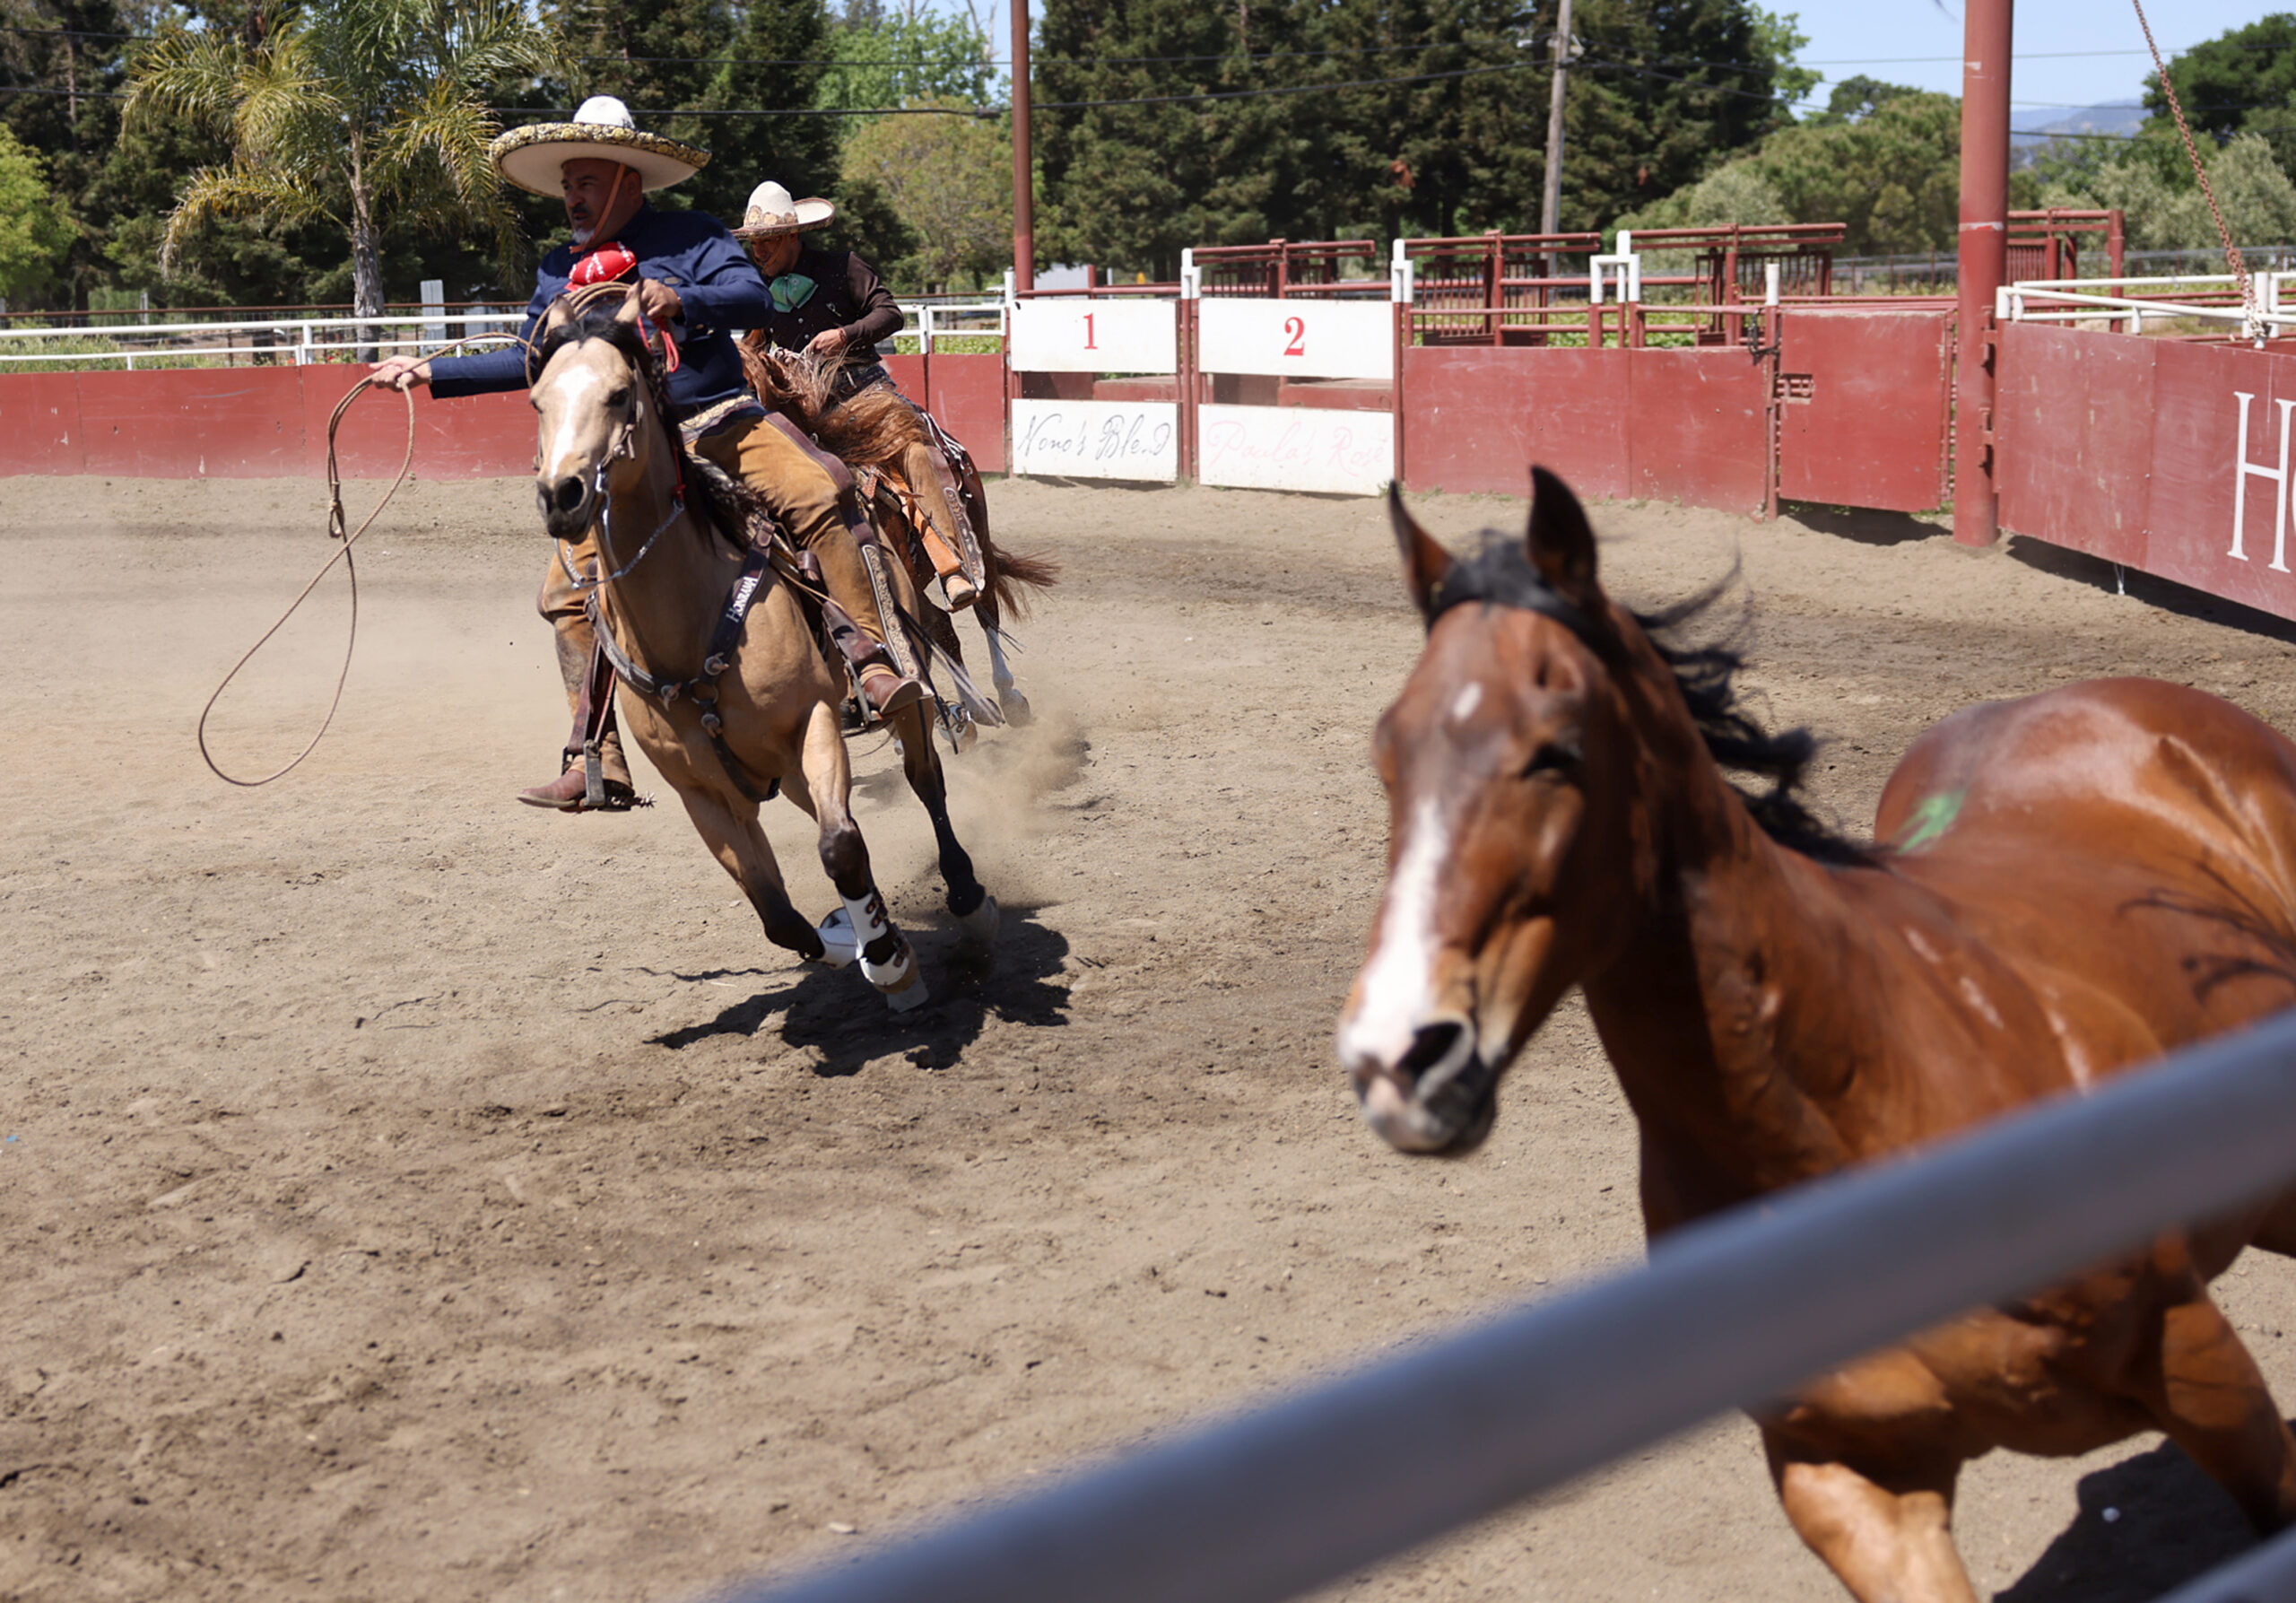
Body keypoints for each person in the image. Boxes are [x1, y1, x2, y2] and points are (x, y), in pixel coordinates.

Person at [371, 98, 923, 813]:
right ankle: (595, 757)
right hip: (625, 451)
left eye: (587, 182)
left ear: (629, 181)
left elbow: (752, 297)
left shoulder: (690, 237)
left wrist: (681, 297)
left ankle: (871, 660)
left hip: (718, 420)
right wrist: (431, 373)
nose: (572, 195)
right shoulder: (555, 275)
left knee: (821, 490)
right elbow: (530, 358)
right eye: (567, 183)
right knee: (563, 596)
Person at [732, 180, 983, 611]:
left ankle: (951, 565)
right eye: (755, 243)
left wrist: (845, 334)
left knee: (915, 454)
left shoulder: (843, 267)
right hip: (806, 410)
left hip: (865, 394)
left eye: (768, 241)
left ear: (793, 235)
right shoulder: (759, 291)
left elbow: (890, 314)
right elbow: (754, 346)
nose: (759, 253)